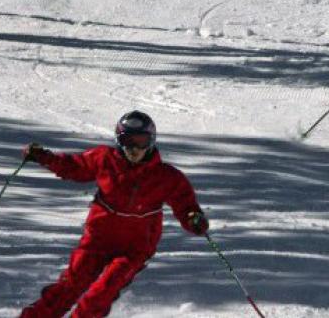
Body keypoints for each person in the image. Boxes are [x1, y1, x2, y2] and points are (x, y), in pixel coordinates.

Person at [20, 110, 209, 318]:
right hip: (97, 240)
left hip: (133, 250)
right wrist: (44, 157)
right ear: (119, 140)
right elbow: (74, 167)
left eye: (141, 141)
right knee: (69, 285)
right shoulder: (105, 160)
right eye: (128, 141)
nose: (135, 148)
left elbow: (185, 204)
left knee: (101, 293)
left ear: (151, 141)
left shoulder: (165, 176)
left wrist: (194, 220)